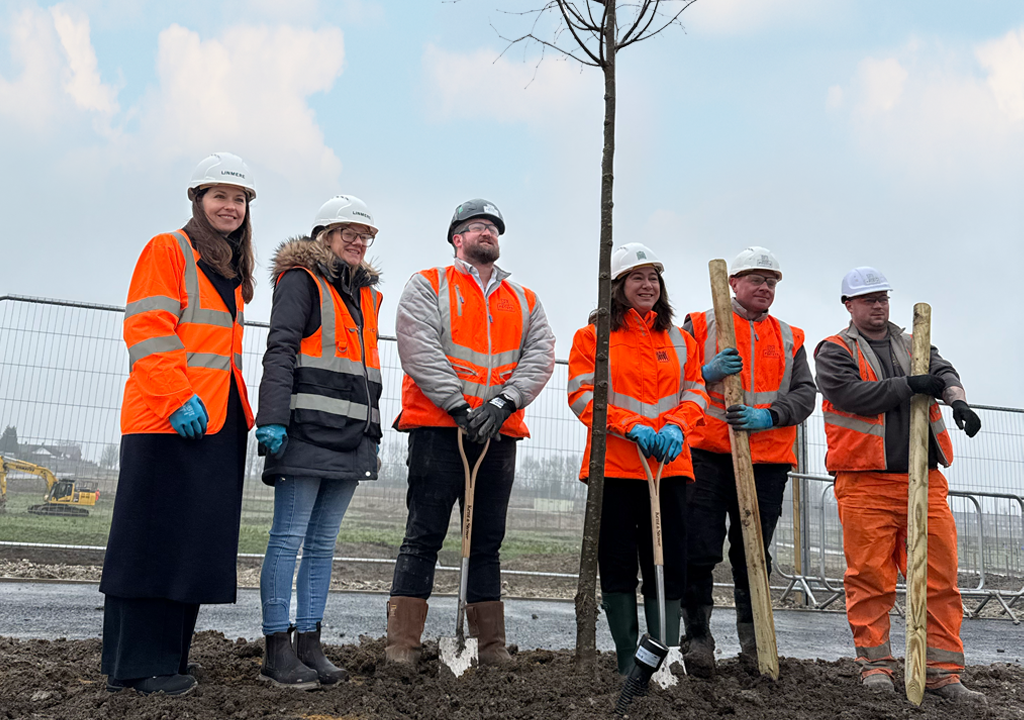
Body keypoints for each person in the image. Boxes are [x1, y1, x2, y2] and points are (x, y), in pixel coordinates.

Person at [99, 152, 257, 696]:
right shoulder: (169, 249)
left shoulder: (228, 269)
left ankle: (167, 660)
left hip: (214, 424)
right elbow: (148, 328)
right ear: (197, 200)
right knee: (151, 545)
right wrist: (176, 399)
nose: (230, 207)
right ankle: (135, 666)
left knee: (187, 549)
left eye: (238, 199)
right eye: (219, 196)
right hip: (167, 422)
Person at [385, 198, 555, 665]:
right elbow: (418, 346)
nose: (488, 233)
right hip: (438, 430)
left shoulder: (524, 300)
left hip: (498, 434)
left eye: (494, 228)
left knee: (486, 542)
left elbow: (540, 354)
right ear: (457, 238)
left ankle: (490, 646)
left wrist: (503, 403)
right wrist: (458, 406)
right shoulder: (428, 284)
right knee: (423, 535)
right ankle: (402, 645)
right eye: (478, 226)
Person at [814, 267, 985, 703]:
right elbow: (852, 394)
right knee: (870, 579)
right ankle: (876, 666)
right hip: (865, 483)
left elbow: (944, 372)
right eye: (868, 299)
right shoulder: (834, 350)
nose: (878, 306)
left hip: (924, 481)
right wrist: (909, 385)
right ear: (848, 305)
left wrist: (957, 401)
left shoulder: (914, 344)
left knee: (939, 578)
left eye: (883, 298)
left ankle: (943, 672)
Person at [254, 195, 383, 689]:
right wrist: (273, 418)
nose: (358, 241)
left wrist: (372, 431)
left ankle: (309, 642)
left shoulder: (366, 296)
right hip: (305, 431)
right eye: (348, 232)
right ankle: (277, 649)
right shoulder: (300, 280)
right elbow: (281, 349)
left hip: (351, 437)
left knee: (323, 544)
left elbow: (365, 371)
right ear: (323, 235)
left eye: (365, 235)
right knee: (288, 538)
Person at [567, 243, 708, 675]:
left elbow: (696, 391)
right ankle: (630, 658)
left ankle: (663, 656)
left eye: (653, 278)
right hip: (614, 467)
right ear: (617, 286)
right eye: (636, 278)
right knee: (618, 562)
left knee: (668, 560)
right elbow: (583, 395)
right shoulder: (593, 338)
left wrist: (677, 426)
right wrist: (632, 427)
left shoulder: (681, 340)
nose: (647, 285)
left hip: (668, 466)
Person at [680, 246, 816, 676]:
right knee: (699, 548)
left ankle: (756, 643)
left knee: (753, 553)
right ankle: (697, 638)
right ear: (733, 283)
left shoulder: (789, 337)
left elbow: (805, 395)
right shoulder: (700, 325)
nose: (765, 288)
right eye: (756, 280)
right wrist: (706, 372)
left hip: (767, 460)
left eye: (771, 282)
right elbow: (673, 378)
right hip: (706, 453)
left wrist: (769, 416)